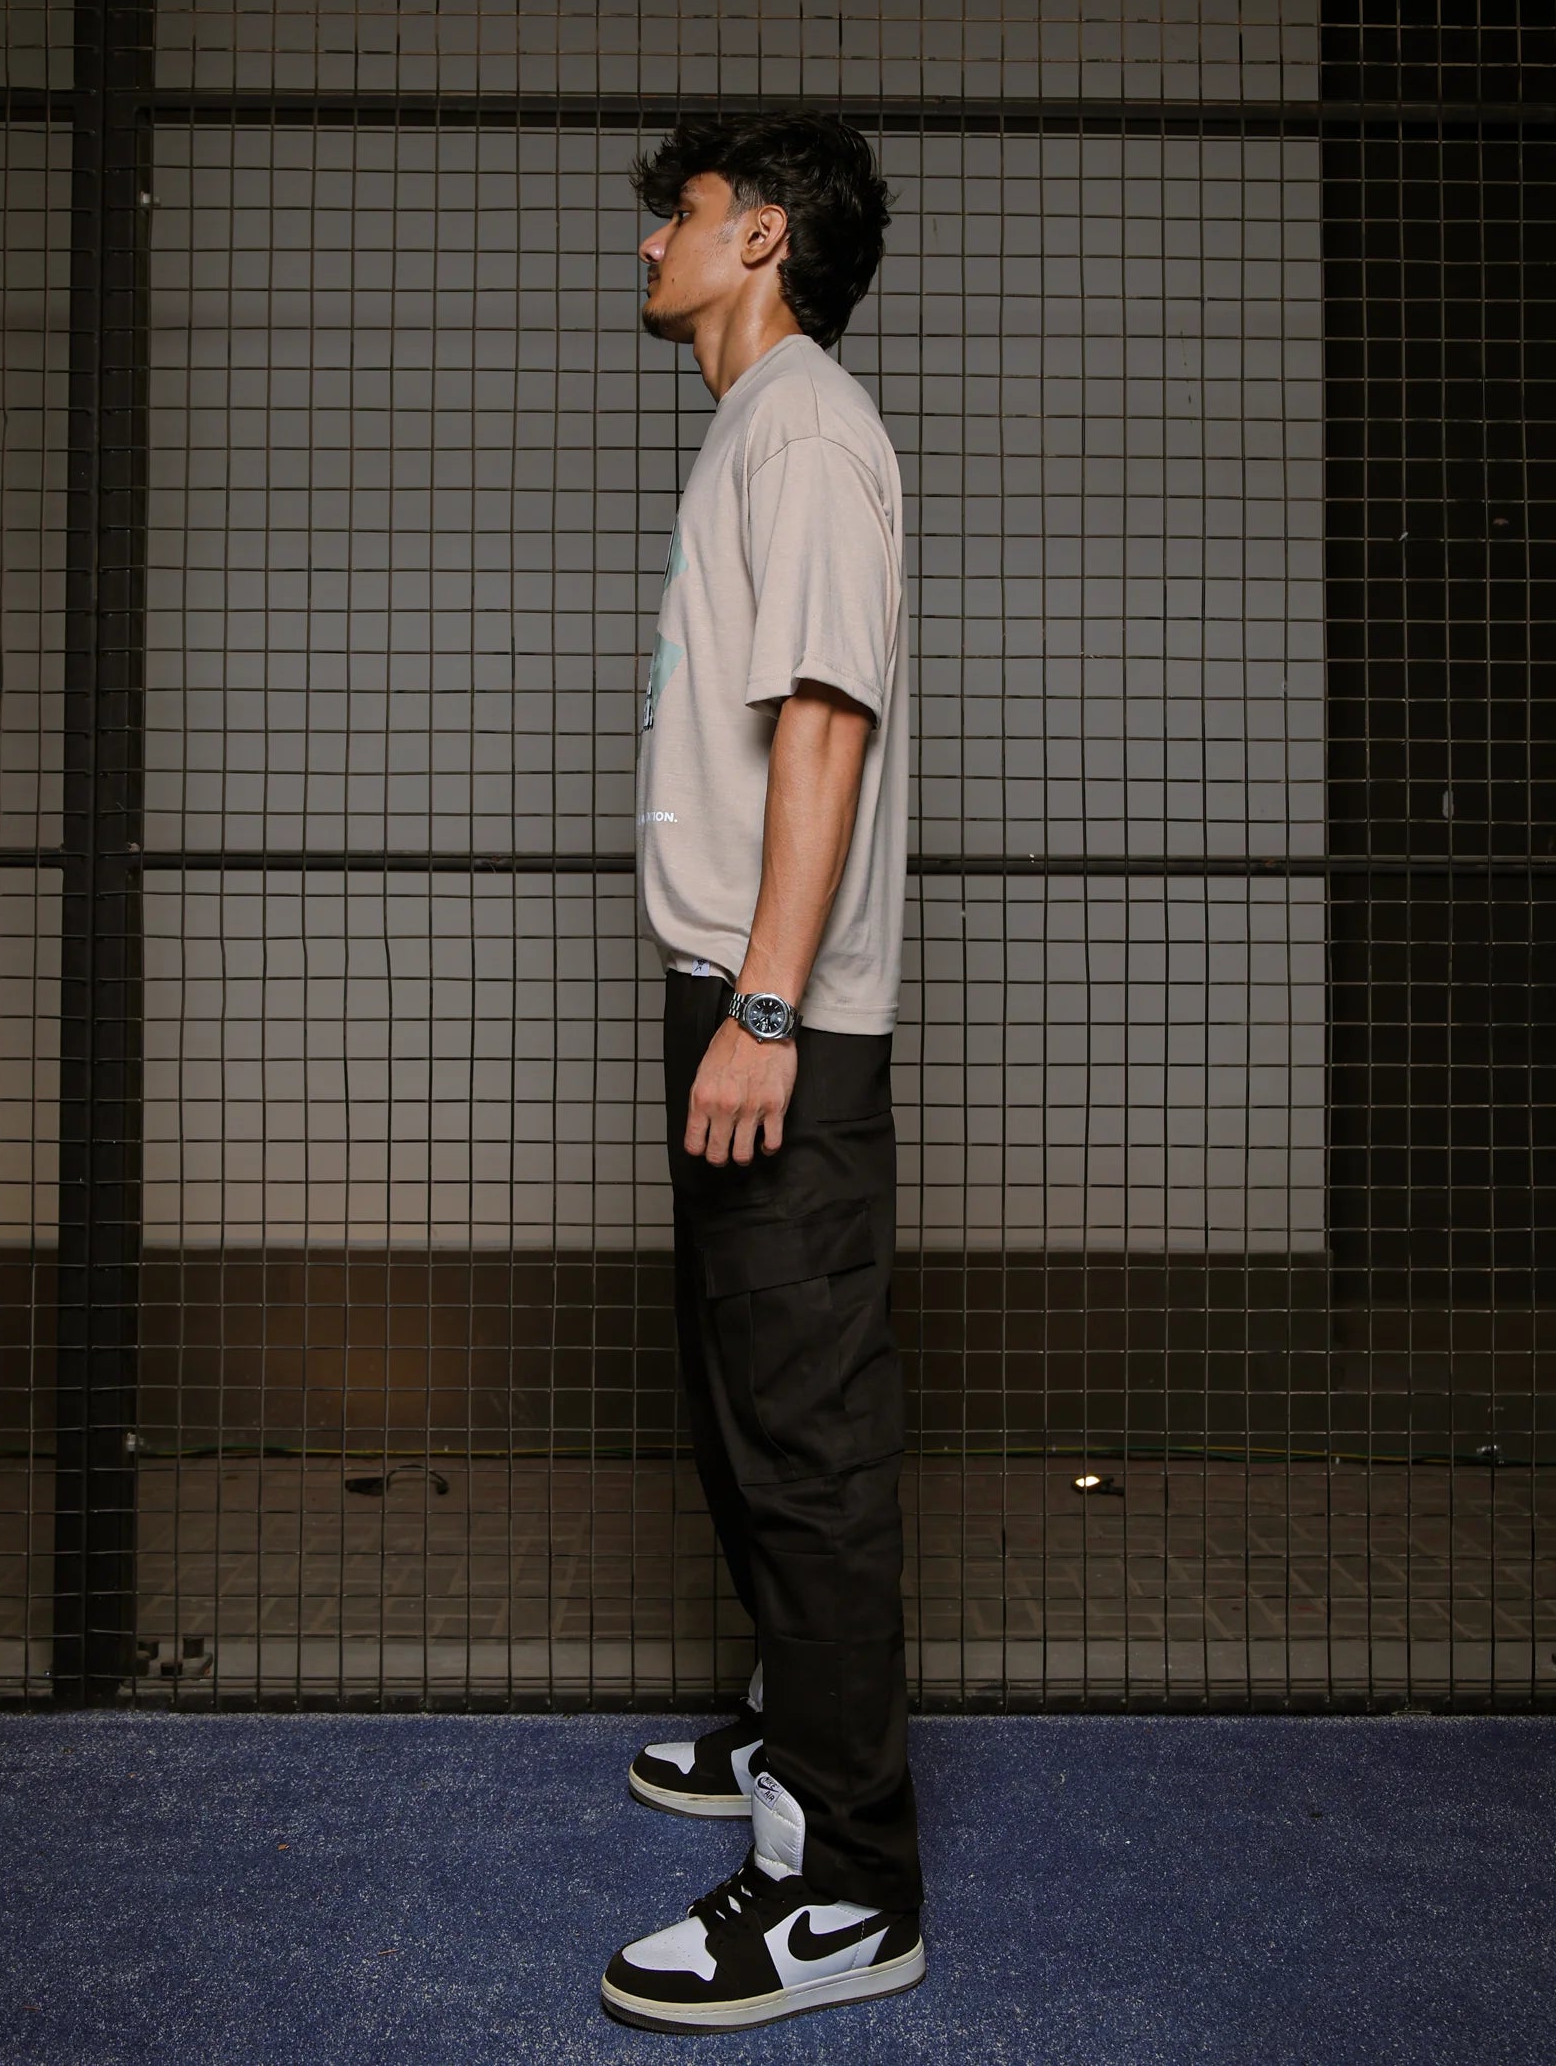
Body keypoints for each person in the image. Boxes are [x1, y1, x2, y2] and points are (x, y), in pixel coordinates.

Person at [600, 110, 922, 2035]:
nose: (651, 235)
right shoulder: (757, 423)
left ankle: (853, 1887)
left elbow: (824, 727)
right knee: (744, 1416)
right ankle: (788, 1732)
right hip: (737, 994)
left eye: (686, 211)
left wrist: (771, 1008)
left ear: (764, 239)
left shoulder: (804, 424)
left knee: (805, 1448)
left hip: (773, 1009)